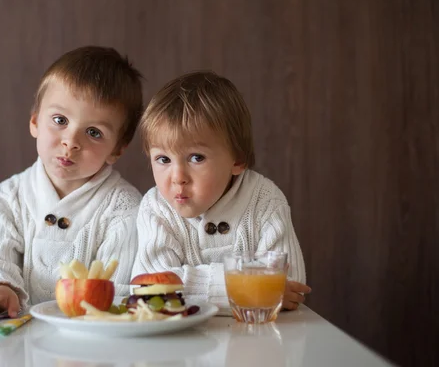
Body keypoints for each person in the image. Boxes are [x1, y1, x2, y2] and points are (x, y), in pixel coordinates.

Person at [0, 46, 144, 318]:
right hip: (20, 339)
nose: (71, 142)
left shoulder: (124, 206)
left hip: (90, 340)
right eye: (60, 120)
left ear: (117, 149)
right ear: (35, 121)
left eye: (94, 132)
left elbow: (116, 290)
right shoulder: (11, 195)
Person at [133, 71, 311, 312]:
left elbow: (288, 288)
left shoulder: (264, 200)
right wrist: (234, 287)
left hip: (256, 342)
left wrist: (183, 282)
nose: (177, 178)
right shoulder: (155, 207)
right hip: (179, 344)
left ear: (237, 159)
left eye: (196, 157)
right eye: (163, 159)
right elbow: (149, 288)